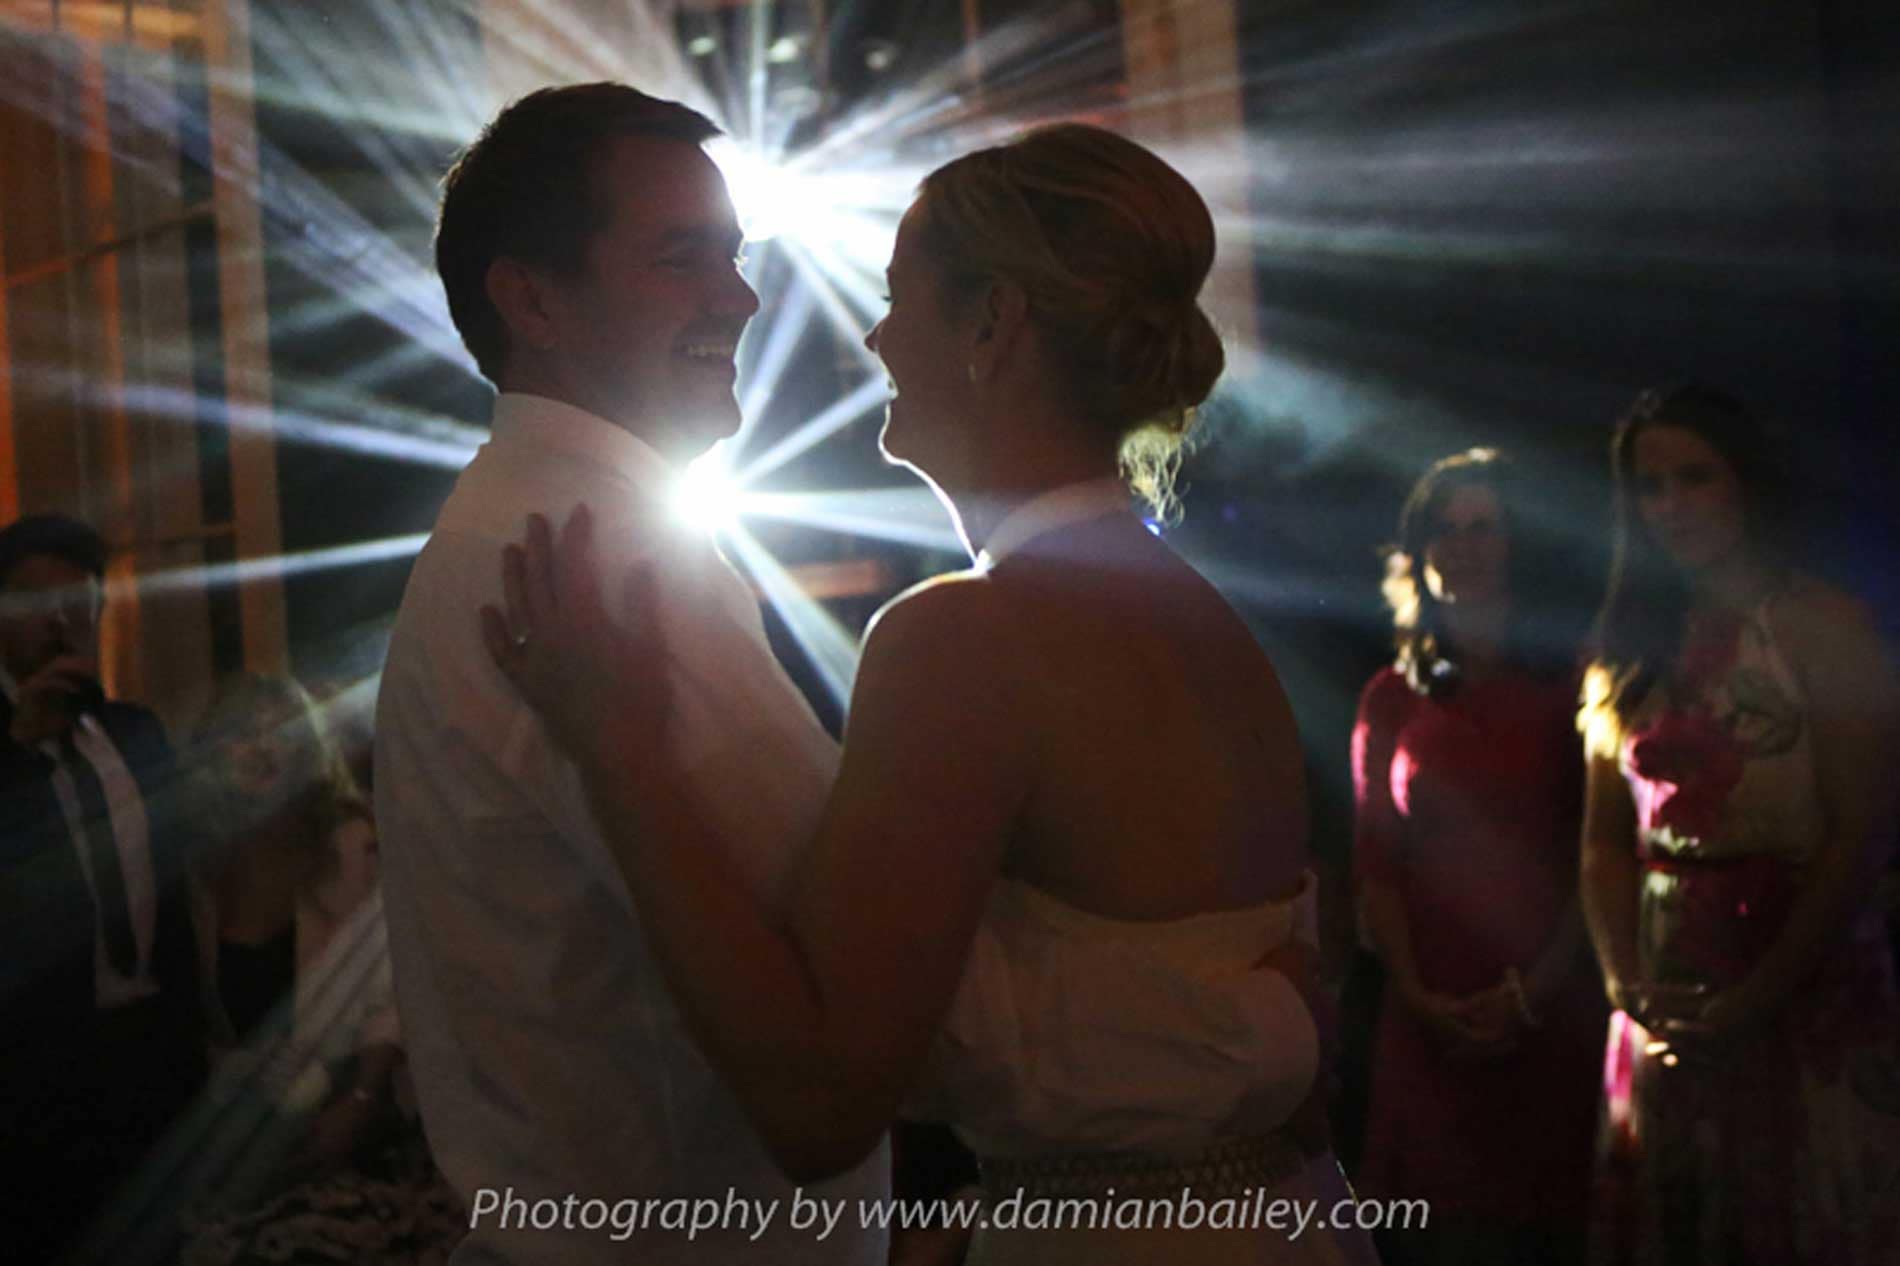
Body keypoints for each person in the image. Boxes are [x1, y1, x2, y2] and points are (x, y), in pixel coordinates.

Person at [482, 123, 1378, 1265]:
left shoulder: (967, 637)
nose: (873, 334)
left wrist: (619, 750)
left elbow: (818, 1104)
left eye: (897, 295)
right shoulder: (1203, 621)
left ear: (993, 323)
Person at [373, 82, 888, 1264]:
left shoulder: (519, 523)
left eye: (736, 257)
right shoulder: (591, 554)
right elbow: (833, 966)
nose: (741, 298)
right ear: (533, 295)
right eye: (683, 260)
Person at [1578, 384, 1900, 1264]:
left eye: (1696, 478)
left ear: (1746, 484)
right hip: (1667, 998)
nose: (1672, 506)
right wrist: (1628, 987)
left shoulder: (1821, 627)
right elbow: (1604, 840)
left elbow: (1860, 835)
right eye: (1651, 487)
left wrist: (1758, 997)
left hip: (1803, 981)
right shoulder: (1629, 641)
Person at [1350, 449, 1602, 1265]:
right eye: (1443, 530)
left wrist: (1538, 990)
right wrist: (1419, 996)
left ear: (1517, 544)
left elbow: (1594, 852)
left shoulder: (1576, 684)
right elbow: (1376, 863)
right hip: (1429, 1019)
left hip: (1555, 1007)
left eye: (1482, 528)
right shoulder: (1392, 695)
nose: (1461, 547)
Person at [177, 672, 461, 1265]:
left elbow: (398, 994)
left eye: (278, 731)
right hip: (246, 1146)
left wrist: (357, 1104)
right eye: (239, 732)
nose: (260, 745)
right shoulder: (198, 867)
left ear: (307, 747)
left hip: (361, 1122)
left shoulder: (353, 843)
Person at [0, 512, 204, 1262]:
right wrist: (19, 748)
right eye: (31, 605)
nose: (59, 621)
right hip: (30, 1082)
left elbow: (178, 885)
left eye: (78, 602)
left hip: (152, 1059)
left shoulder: (137, 732)